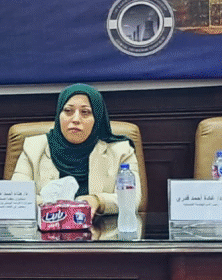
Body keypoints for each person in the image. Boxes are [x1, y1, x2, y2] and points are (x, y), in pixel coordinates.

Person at [11, 83, 141, 215]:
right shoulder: (33, 148)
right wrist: (55, 206)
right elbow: (17, 197)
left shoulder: (121, 151)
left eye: (85, 112)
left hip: (100, 227)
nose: (76, 119)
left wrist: (98, 201)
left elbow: (132, 200)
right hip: (46, 226)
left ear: (97, 118)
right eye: (68, 111)